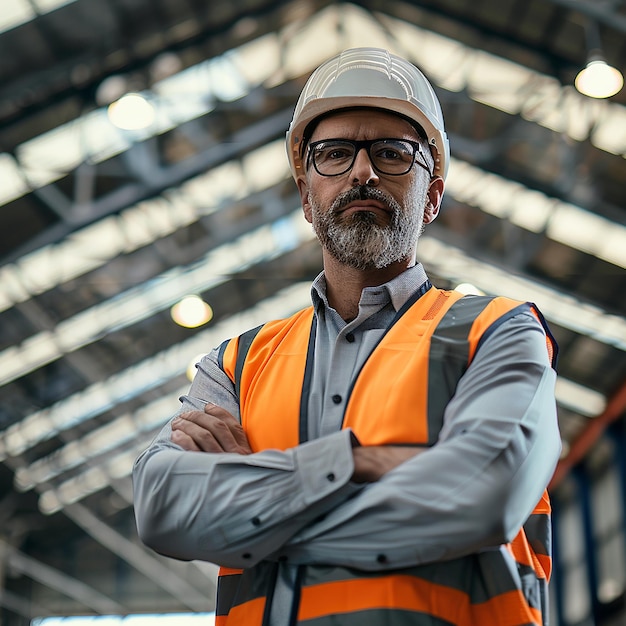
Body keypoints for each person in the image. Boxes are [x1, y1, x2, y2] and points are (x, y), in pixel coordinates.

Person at [133, 47, 561, 626]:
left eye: (392, 153)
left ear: (432, 196)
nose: (363, 172)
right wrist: (355, 461)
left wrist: (254, 517)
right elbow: (163, 507)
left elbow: (484, 498)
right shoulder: (236, 363)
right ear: (307, 199)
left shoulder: (498, 333)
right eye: (334, 155)